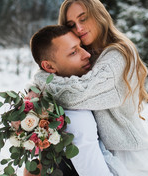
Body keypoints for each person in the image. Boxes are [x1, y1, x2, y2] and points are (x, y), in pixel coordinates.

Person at [33, 0, 148, 175]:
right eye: (71, 24)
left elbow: (77, 94)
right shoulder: (86, 55)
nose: (79, 28)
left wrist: (40, 82)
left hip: (126, 155)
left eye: (83, 19)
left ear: (99, 14)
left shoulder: (120, 54)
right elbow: (58, 72)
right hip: (99, 151)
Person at [28, 25, 115, 176]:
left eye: (81, 46)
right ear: (48, 66)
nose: (86, 54)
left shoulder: (41, 100)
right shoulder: (76, 116)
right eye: (73, 52)